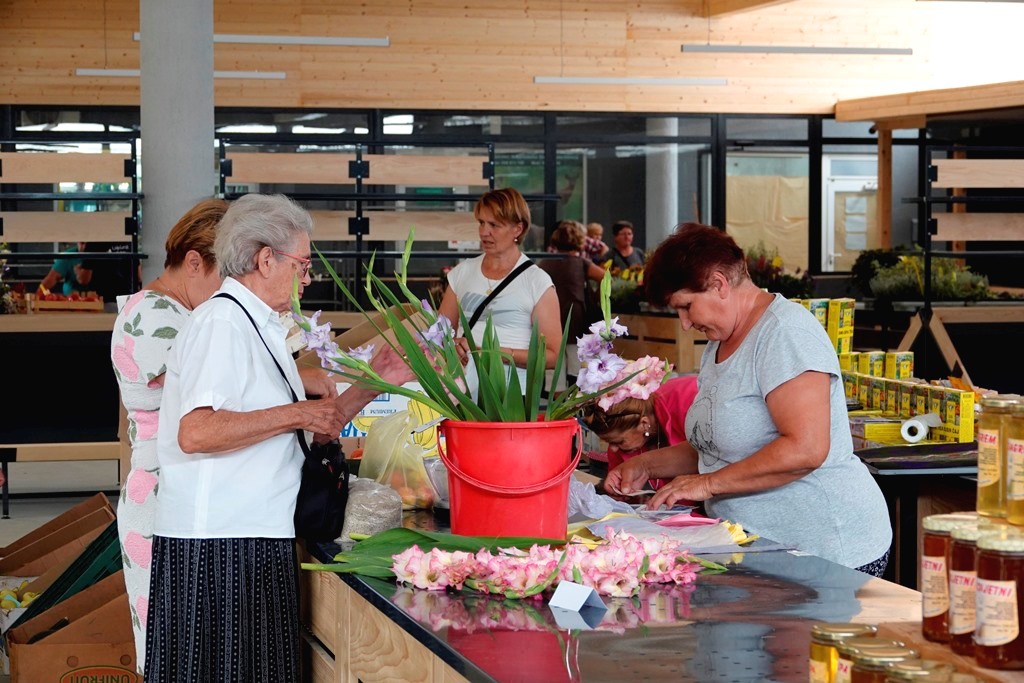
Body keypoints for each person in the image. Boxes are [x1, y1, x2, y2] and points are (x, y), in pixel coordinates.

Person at [145, 194, 414, 682]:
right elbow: (197, 430)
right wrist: (296, 410)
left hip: (255, 532)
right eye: (303, 264)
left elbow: (314, 424)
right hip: (219, 543)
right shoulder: (222, 321)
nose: (307, 278)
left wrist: (377, 379)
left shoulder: (258, 324)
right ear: (265, 258)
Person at [606, 223, 892, 576]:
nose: (684, 324)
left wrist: (706, 484)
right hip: (764, 548)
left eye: (686, 307)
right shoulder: (719, 343)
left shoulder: (785, 334)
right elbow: (720, 445)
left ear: (718, 284)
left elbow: (806, 449)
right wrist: (646, 465)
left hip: (826, 550)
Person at [109, 198, 229, 675]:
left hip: (175, 496)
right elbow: (218, 392)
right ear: (195, 262)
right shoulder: (155, 316)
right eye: (229, 276)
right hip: (159, 503)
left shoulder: (180, 312)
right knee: (171, 653)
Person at [439, 187, 561, 396]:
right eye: (482, 223)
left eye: (494, 225)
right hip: (461, 395)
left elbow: (552, 357)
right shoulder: (462, 272)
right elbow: (437, 334)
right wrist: (452, 345)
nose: (484, 232)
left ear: (518, 229)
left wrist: (492, 354)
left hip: (511, 399)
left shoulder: (536, 281)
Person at [581, 373, 698, 493]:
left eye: (619, 442)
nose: (613, 449)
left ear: (644, 424)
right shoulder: (621, 444)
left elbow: (707, 456)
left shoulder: (691, 400)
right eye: (608, 442)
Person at [539, 220, 606, 384]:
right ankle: (575, 399)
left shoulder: (544, 263)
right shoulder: (581, 263)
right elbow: (606, 278)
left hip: (550, 315)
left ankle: (556, 400)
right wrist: (595, 297)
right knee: (577, 360)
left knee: (555, 363)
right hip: (576, 314)